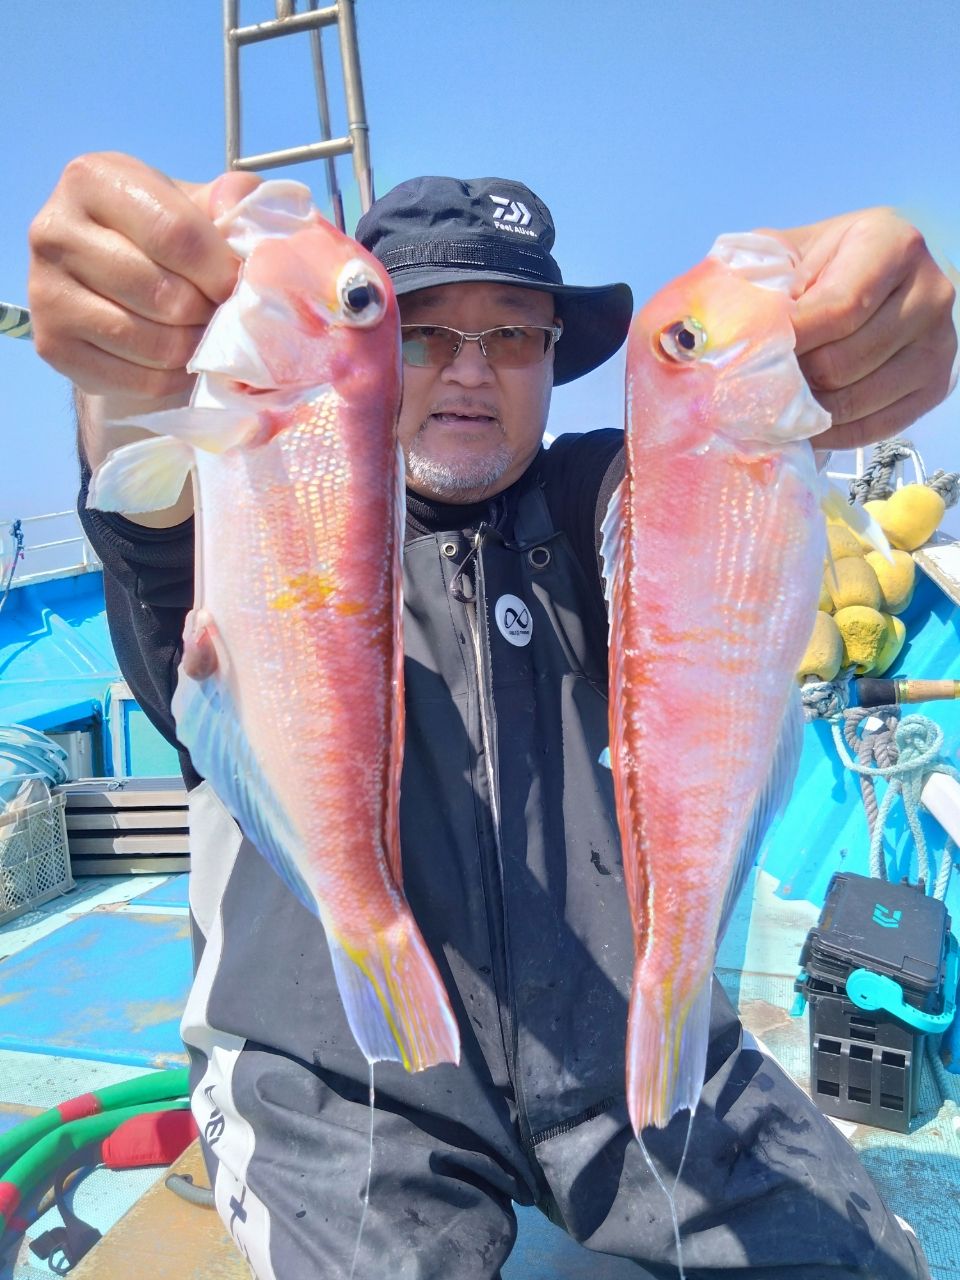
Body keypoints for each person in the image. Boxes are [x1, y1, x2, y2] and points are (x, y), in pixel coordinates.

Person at [28, 153, 957, 1280]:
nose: (471, 371)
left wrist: (841, 338)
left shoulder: (596, 495)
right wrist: (119, 383)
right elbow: (149, 509)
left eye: (514, 334)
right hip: (336, 1083)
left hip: (632, 1056)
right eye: (416, 330)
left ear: (558, 359)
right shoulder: (250, 493)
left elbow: (676, 509)